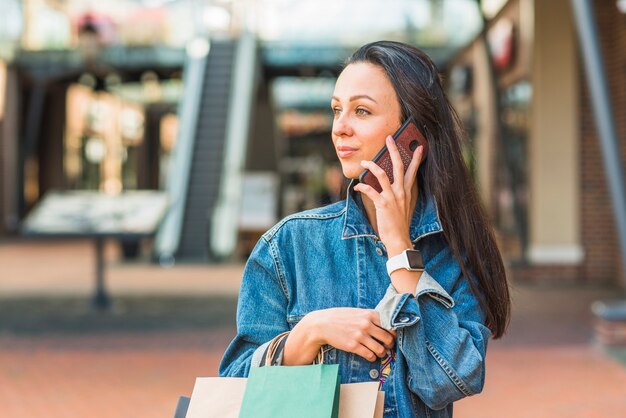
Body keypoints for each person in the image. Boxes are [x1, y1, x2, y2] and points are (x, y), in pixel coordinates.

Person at [219, 40, 511, 418]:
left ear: (414, 131)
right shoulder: (288, 245)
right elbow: (234, 386)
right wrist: (309, 333)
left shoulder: (455, 252)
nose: (340, 128)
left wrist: (400, 250)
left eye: (361, 111)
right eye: (337, 110)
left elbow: (449, 382)